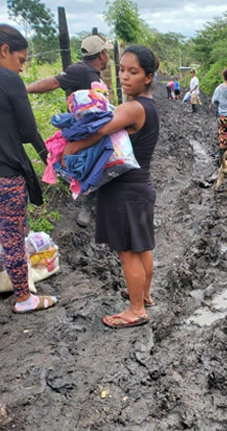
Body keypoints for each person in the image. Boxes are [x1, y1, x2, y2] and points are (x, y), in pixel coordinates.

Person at [62, 45, 160, 328]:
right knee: (142, 247)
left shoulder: (132, 107)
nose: (125, 77)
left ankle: (136, 309)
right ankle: (145, 295)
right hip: (141, 186)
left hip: (124, 191)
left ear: (148, 77)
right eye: (121, 70)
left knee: (127, 251)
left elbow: (99, 130)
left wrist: (70, 149)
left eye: (134, 72)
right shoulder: (149, 106)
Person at [26, 34, 112, 228]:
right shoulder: (80, 71)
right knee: (93, 166)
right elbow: (53, 82)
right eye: (107, 52)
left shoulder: (95, 75)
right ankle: (87, 206)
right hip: (84, 131)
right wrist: (25, 89)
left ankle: (103, 204)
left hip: (98, 128)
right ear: (102, 54)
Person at [0, 24, 58, 313]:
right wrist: (50, 158)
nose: (21, 69)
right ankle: (24, 298)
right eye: (21, 60)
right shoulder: (9, 81)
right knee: (11, 237)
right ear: (4, 50)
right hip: (6, 176)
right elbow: (27, 131)